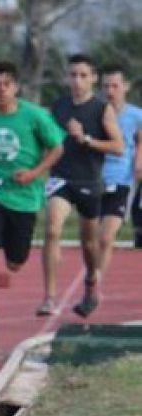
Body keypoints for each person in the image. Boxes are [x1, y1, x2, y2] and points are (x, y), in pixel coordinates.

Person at [0, 62, 64, 339]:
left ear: (16, 87)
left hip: (24, 198)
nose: (1, 89)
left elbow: (57, 147)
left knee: (15, 262)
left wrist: (35, 172)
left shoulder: (34, 116)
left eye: (6, 84)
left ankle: (16, 257)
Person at [39, 54, 123, 318]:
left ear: (93, 79)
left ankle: (90, 283)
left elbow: (118, 147)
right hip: (61, 177)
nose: (77, 80)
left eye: (83, 75)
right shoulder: (58, 106)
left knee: (89, 244)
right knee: (52, 229)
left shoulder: (101, 109)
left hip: (89, 180)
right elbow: (47, 138)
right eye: (73, 75)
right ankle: (50, 297)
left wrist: (85, 138)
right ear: (67, 77)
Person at [99, 65, 142, 272]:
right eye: (106, 86)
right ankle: (93, 273)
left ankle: (95, 281)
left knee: (107, 237)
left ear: (125, 87)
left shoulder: (136, 115)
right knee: (92, 238)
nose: (110, 91)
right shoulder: (95, 111)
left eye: (115, 86)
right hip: (93, 179)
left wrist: (138, 164)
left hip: (122, 180)